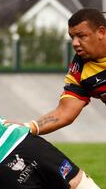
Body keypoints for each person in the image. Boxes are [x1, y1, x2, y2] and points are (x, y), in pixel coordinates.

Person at [22, 8, 106, 136]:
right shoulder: (80, 68)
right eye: (72, 37)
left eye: (81, 36)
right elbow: (64, 113)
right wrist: (25, 128)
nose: (75, 43)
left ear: (101, 32)